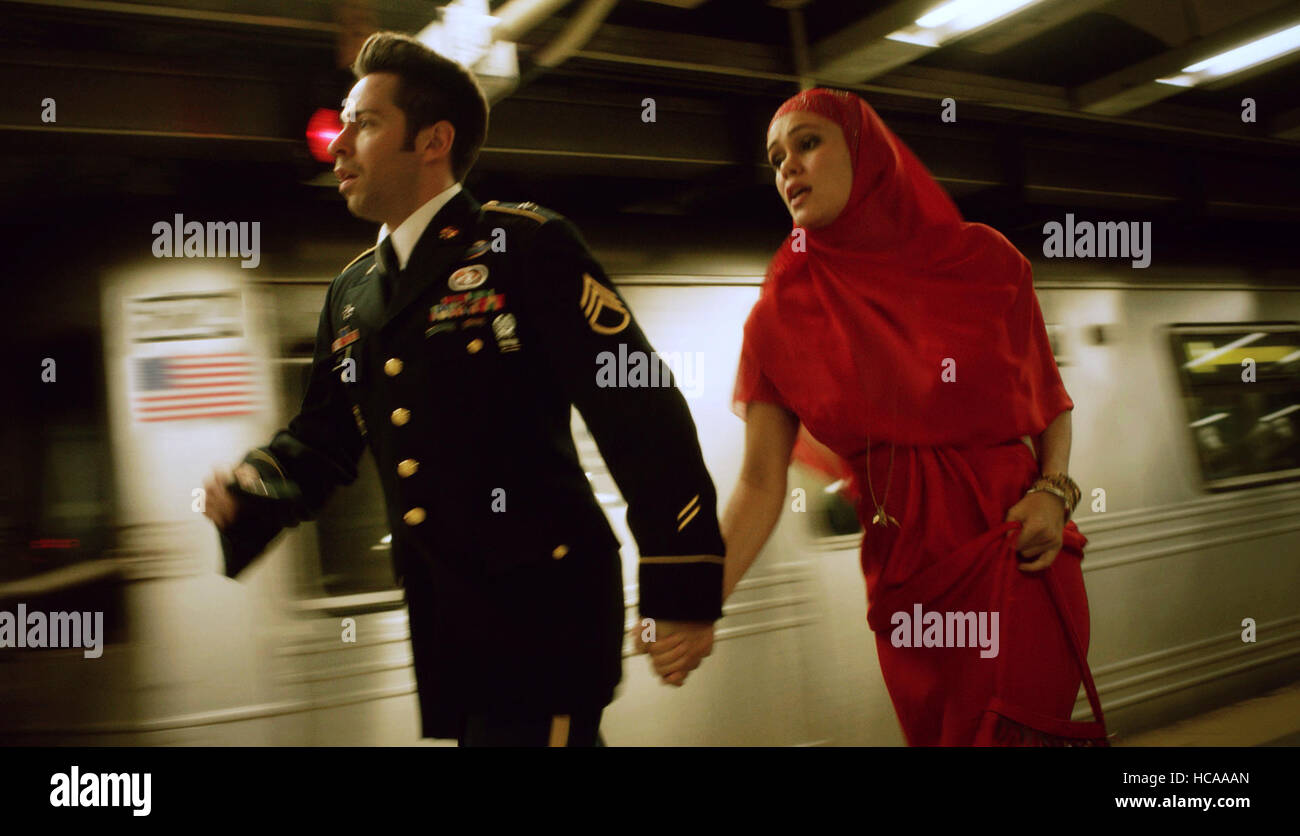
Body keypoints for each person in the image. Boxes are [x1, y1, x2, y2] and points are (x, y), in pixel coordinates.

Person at [202, 31, 724, 747]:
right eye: (344, 123)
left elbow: (641, 409)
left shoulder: (526, 246)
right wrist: (252, 488)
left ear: (433, 141)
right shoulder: (353, 294)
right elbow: (324, 438)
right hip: (451, 625)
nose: (339, 145)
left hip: (545, 615)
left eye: (366, 122)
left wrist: (683, 588)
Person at [650, 88, 1106, 745]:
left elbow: (1049, 401)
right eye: (777, 158)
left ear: (868, 154)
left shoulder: (985, 260)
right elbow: (758, 483)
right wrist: (699, 604)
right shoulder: (780, 313)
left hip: (1018, 550)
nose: (789, 168)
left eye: (808, 143)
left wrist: (1052, 492)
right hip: (906, 577)